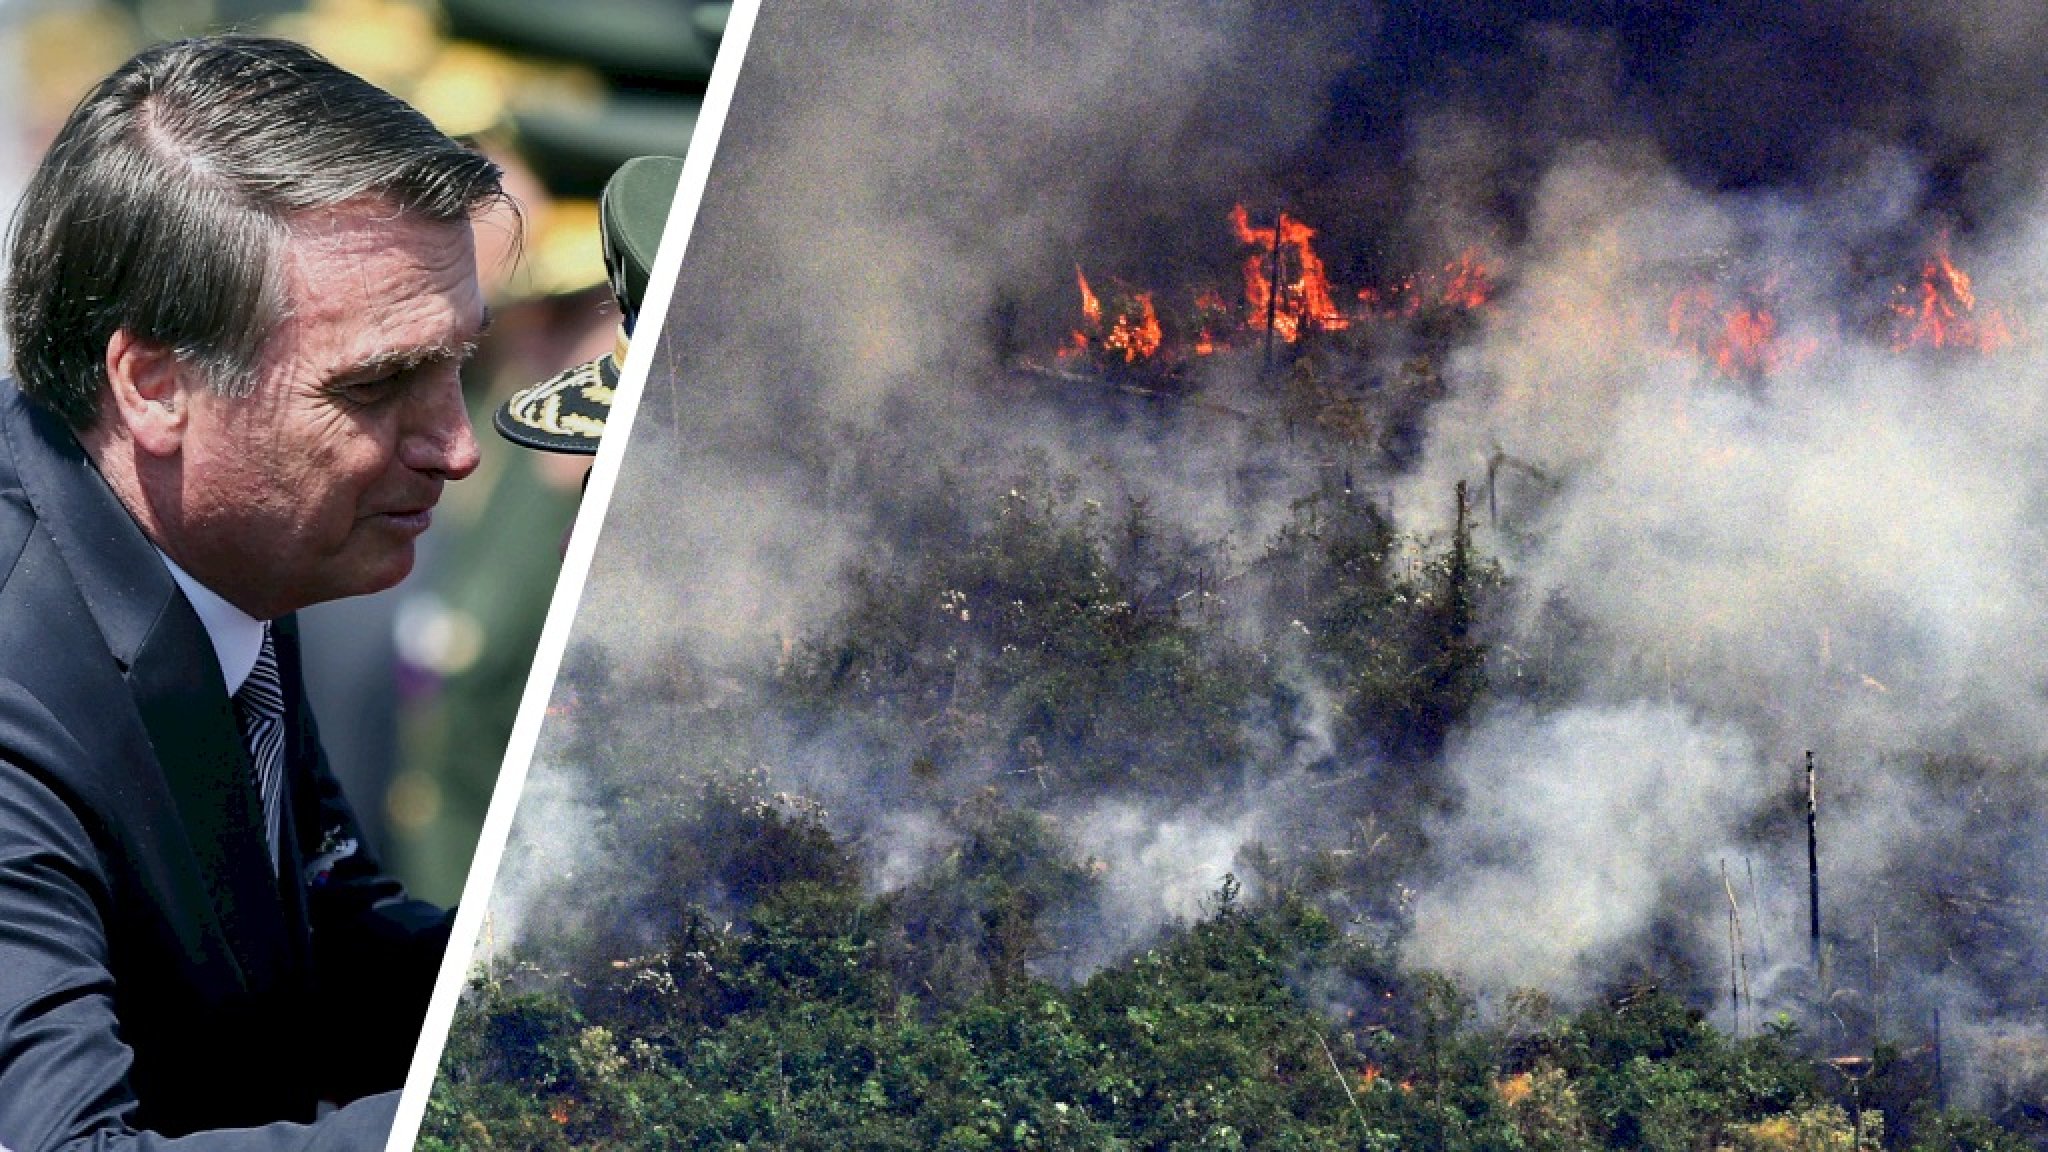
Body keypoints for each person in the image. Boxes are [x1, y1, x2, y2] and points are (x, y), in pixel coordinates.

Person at [0, 35, 504, 1149]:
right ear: (155, 384)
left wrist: (579, 992)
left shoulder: (214, 553)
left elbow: (319, 923)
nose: (455, 448)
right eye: (376, 385)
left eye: (459, 362)